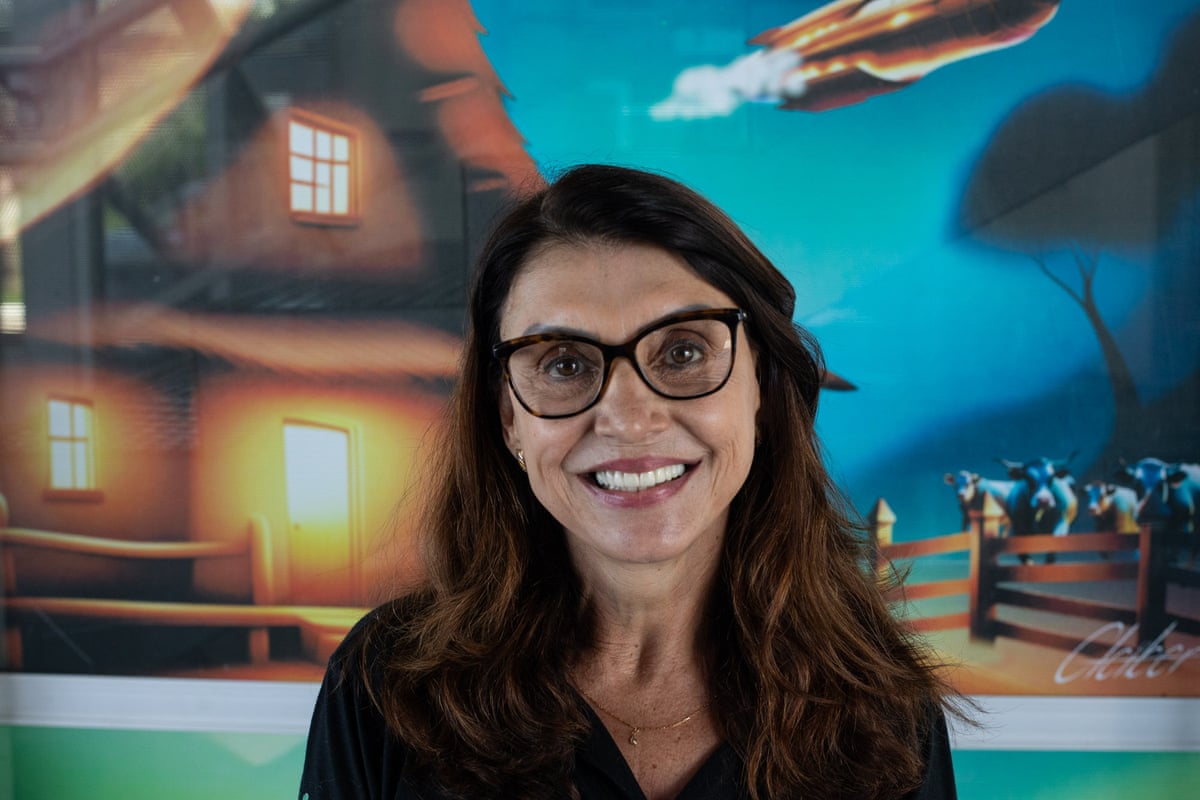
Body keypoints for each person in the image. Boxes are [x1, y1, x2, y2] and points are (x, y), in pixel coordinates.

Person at [299, 164, 966, 799]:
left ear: (762, 389)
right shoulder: (385, 686)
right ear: (507, 417)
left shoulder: (884, 707)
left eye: (683, 351)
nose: (628, 418)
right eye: (563, 364)